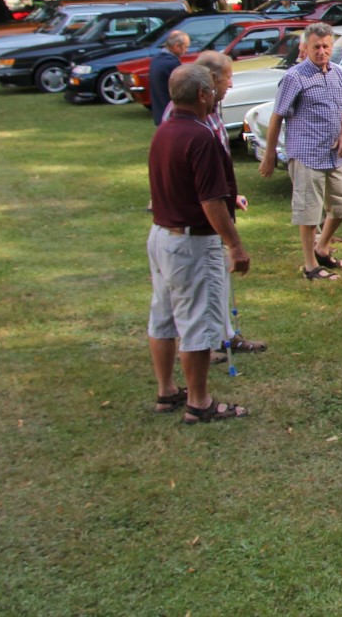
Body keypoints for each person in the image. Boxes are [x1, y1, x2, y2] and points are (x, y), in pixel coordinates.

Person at [146, 63, 250, 423]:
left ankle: (166, 391)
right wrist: (235, 245)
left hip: (161, 235)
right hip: (190, 242)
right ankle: (199, 402)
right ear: (203, 94)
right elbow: (210, 202)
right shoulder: (199, 137)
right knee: (197, 322)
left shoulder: (165, 131)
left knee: (163, 316)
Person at [256, 23, 342, 281]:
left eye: (326, 46)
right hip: (306, 154)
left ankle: (322, 247)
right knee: (309, 212)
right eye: (316, 47)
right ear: (306, 47)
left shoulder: (338, 74)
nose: (322, 51)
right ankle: (311, 266)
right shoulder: (295, 77)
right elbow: (277, 117)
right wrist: (269, 155)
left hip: (334, 153)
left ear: (332, 46)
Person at [192, 51, 265, 360]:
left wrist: (230, 194)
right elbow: (196, 177)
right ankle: (204, 344)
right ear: (210, 80)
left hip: (218, 204)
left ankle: (226, 335)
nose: (231, 85)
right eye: (227, 78)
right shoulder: (190, 117)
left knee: (219, 278)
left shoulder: (212, 111)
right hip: (200, 220)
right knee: (204, 282)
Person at [148, 30, 190, 126]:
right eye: (185, 47)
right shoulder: (172, 64)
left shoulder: (156, 59)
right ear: (176, 46)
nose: (186, 50)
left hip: (159, 113)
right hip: (171, 116)